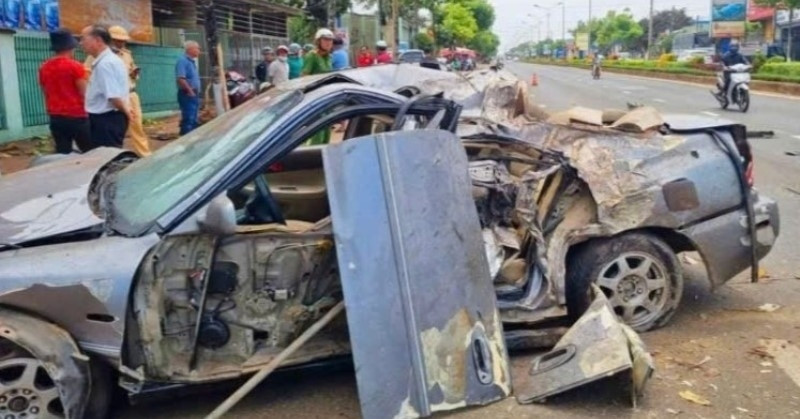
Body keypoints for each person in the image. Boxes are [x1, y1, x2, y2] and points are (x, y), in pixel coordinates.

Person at [39, 28, 91, 154]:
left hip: (56, 117)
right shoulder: (76, 66)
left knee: (63, 153)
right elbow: (84, 93)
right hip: (77, 117)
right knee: (90, 152)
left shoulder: (44, 67)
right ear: (71, 47)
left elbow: (45, 91)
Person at [80, 25, 131, 148]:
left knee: (108, 160)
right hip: (109, 118)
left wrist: (127, 113)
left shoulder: (105, 64)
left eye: (83, 39)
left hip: (107, 119)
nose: (81, 43)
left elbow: (113, 97)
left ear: (97, 40)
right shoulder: (107, 60)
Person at [108, 25, 151, 156]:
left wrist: (134, 74)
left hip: (131, 93)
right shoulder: (100, 56)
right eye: (117, 40)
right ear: (110, 40)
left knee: (137, 125)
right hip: (115, 97)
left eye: (123, 40)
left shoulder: (127, 55)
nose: (121, 43)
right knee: (116, 128)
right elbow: (89, 75)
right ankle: (114, 155)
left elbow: (133, 71)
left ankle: (144, 154)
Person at [175, 40, 202, 135]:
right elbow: (181, 79)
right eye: (197, 48)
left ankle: (191, 139)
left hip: (193, 93)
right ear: (190, 49)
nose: (199, 50)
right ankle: (185, 139)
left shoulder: (191, 62)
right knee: (189, 118)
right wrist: (190, 91)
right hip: (187, 93)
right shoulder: (183, 61)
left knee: (193, 118)